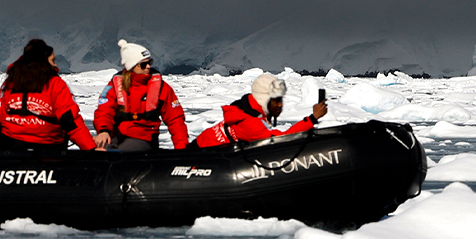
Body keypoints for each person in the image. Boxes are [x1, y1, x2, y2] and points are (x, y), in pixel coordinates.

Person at [0, 39, 96, 154]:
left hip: (10, 148)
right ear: (43, 61)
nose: (55, 65)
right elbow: (70, 120)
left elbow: (0, 112)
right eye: (52, 61)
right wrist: (91, 149)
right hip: (48, 151)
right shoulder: (56, 84)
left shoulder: (10, 83)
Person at [94, 40, 188, 152]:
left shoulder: (161, 87)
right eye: (143, 64)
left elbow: (175, 120)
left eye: (150, 62)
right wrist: (103, 131)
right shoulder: (114, 86)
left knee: (121, 152)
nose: (148, 67)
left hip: (143, 138)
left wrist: (182, 151)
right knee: (94, 147)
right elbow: (104, 111)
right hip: (116, 136)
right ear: (132, 66)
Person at [194, 72, 327, 148]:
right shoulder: (251, 124)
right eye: (276, 100)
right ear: (264, 99)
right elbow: (282, 139)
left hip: (201, 146)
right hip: (200, 158)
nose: (280, 105)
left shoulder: (247, 108)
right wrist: (312, 119)